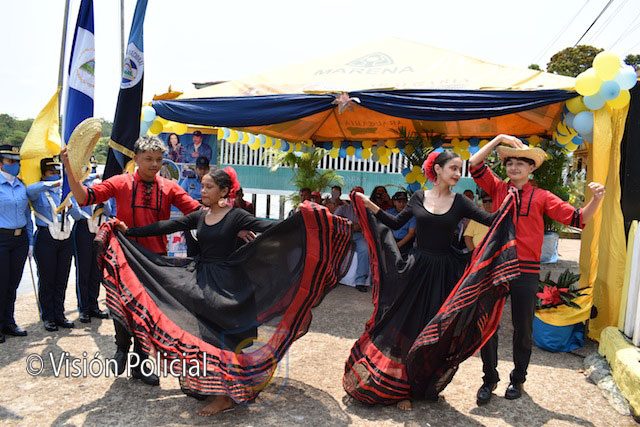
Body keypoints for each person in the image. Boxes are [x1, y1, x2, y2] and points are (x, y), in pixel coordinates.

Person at [97, 166, 351, 416]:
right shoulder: (200, 216)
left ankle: (225, 397)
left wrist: (303, 221)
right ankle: (215, 386)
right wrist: (130, 231)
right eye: (202, 186)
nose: (202, 191)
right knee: (205, 336)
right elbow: (167, 226)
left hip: (227, 285)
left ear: (223, 191)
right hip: (202, 281)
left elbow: (269, 227)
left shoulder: (235, 216)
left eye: (208, 187)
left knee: (223, 339)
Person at [344, 150, 499, 410]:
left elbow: (492, 220)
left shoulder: (460, 201)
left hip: (445, 272)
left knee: (435, 330)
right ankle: (402, 389)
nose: (457, 174)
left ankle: (422, 385)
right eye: (453, 168)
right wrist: (368, 205)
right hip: (417, 269)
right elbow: (395, 223)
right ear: (437, 169)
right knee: (407, 326)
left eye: (459, 169)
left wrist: (512, 200)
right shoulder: (418, 197)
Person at [468, 134, 605, 405]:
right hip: (496, 266)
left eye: (521, 163)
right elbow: (474, 164)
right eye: (510, 163)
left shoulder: (542, 196)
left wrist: (597, 199)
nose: (514, 167)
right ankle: (489, 378)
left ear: (531, 168)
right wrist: (499, 139)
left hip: (526, 270)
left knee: (523, 328)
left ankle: (518, 378)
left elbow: (577, 218)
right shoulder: (498, 188)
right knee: (487, 325)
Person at [61, 136, 202, 386]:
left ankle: (141, 361)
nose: (154, 164)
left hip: (155, 260)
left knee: (149, 312)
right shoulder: (120, 182)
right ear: (136, 158)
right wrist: (69, 169)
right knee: (122, 305)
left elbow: (198, 212)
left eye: (158, 159)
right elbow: (84, 198)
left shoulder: (170, 187)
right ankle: (121, 348)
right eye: (148, 159)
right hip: (124, 256)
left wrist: (232, 217)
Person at [27, 157, 75, 332]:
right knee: (47, 279)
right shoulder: (39, 190)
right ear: (43, 174)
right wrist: (51, 183)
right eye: (51, 172)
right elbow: (29, 190)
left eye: (57, 172)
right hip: (46, 237)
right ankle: (48, 316)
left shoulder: (63, 190)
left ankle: (59, 314)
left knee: (62, 278)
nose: (54, 175)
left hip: (65, 236)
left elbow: (75, 211)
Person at [69, 158, 111, 323]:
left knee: (96, 270)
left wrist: (103, 200)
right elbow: (76, 213)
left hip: (97, 230)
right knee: (84, 271)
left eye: (92, 169)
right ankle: (84, 308)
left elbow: (108, 211)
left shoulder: (100, 188)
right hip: (83, 229)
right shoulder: (77, 187)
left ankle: (94, 306)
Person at [0, 145, 33, 342]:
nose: (15, 165)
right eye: (10, 161)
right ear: (1, 163)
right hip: (2, 239)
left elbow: (27, 215)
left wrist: (30, 241)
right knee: (1, 282)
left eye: (17, 161)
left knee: (13, 283)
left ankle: (9, 322)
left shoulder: (21, 185)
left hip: (20, 240)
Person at [335, 186, 370, 292]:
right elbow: (333, 221)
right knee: (333, 247)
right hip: (343, 234)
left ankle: (360, 281)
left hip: (359, 235)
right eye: (354, 194)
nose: (356, 197)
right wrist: (348, 224)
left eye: (359, 195)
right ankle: (332, 277)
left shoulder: (367, 210)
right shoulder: (343, 208)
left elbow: (368, 226)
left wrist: (359, 226)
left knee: (365, 249)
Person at [180, 156, 210, 256]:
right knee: (191, 247)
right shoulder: (189, 180)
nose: (202, 171)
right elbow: (181, 196)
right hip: (192, 215)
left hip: (208, 216)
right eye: (200, 169)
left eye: (205, 169)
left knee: (206, 247)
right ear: (196, 169)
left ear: (208, 169)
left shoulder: (213, 182)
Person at [386, 191, 416, 257]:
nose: (402, 204)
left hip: (406, 243)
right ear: (394, 202)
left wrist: (398, 245)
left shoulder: (412, 215)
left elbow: (411, 233)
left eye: (404, 202)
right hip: (390, 240)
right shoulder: (389, 212)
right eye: (399, 202)